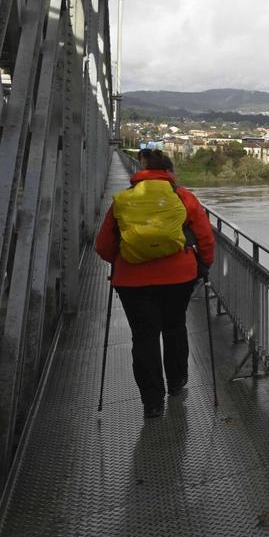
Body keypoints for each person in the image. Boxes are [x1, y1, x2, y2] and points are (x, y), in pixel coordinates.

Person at [94, 149, 215, 419]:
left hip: (132, 282)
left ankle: (152, 402)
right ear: (169, 173)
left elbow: (103, 247)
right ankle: (176, 383)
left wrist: (125, 256)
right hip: (179, 278)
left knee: (144, 337)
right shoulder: (183, 197)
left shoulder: (123, 200)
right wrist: (204, 265)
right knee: (174, 327)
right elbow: (205, 238)